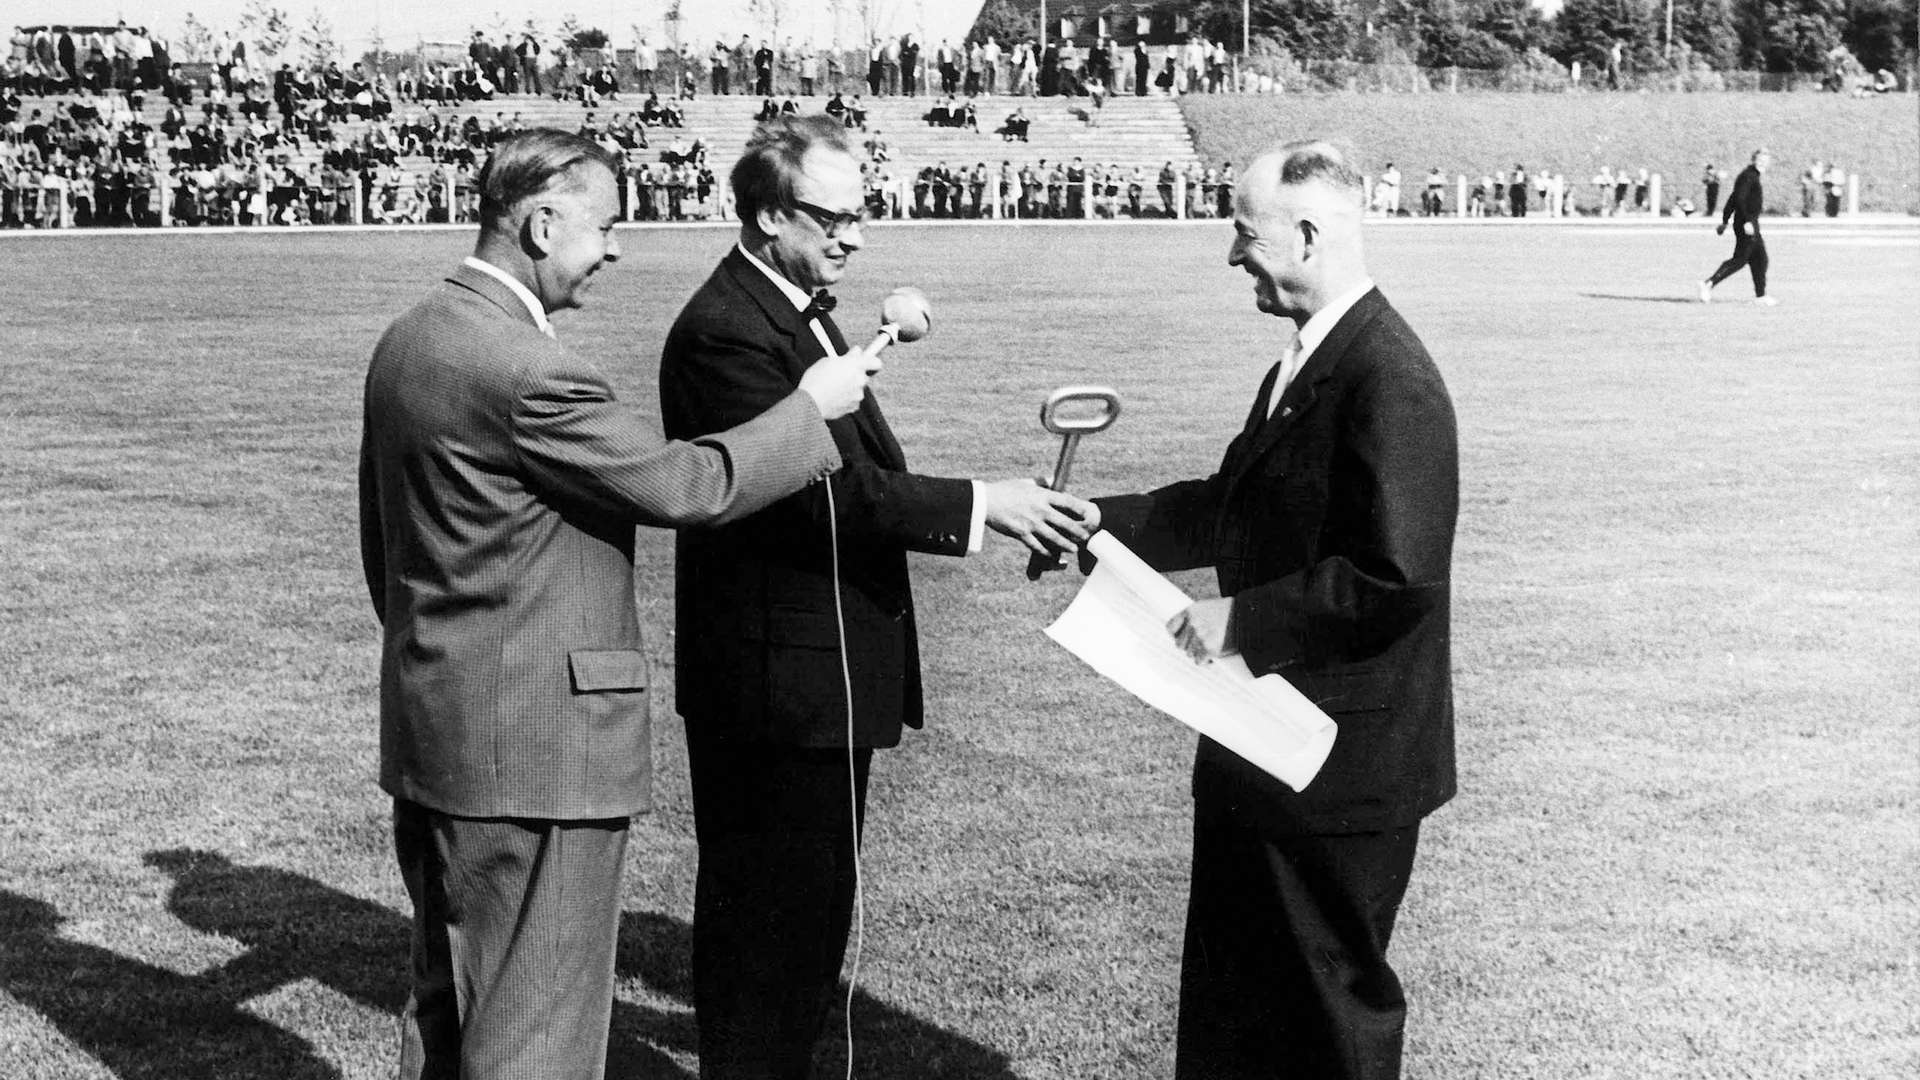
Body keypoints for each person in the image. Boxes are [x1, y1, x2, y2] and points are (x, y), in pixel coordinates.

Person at [359, 128, 876, 1080]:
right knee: (534, 1035)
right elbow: (685, 487)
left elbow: (382, 551)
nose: (615, 249)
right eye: (606, 226)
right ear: (542, 223)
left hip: (439, 732)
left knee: (449, 1010)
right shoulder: (530, 371)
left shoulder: (411, 339)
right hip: (538, 755)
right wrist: (811, 409)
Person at [657, 114, 1098, 1079]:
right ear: (771, 216)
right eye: (834, 219)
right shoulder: (724, 331)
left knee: (808, 926)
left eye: (863, 216)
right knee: (769, 936)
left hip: (823, 677)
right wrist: (989, 506)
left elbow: (850, 469)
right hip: (775, 689)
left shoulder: (800, 306)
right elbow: (815, 496)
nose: (855, 236)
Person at [1050, 138, 1457, 1080]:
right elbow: (1224, 506)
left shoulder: (1390, 378)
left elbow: (1398, 577)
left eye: (1244, 232)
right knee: (1240, 1007)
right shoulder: (1308, 361)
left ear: (1307, 235)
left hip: (1338, 767)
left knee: (1323, 1020)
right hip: (1258, 743)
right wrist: (1091, 523)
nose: (1233, 254)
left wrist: (1242, 620)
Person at [1700, 148, 1774, 306]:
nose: (1763, 162)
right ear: (1754, 159)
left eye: (1765, 159)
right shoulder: (1748, 176)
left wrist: (1725, 221)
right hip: (1746, 223)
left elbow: (1733, 198)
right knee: (1740, 259)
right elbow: (1739, 199)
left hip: (1749, 222)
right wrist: (1746, 221)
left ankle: (1760, 296)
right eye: (1760, 159)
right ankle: (1709, 283)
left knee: (1760, 259)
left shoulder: (1752, 176)